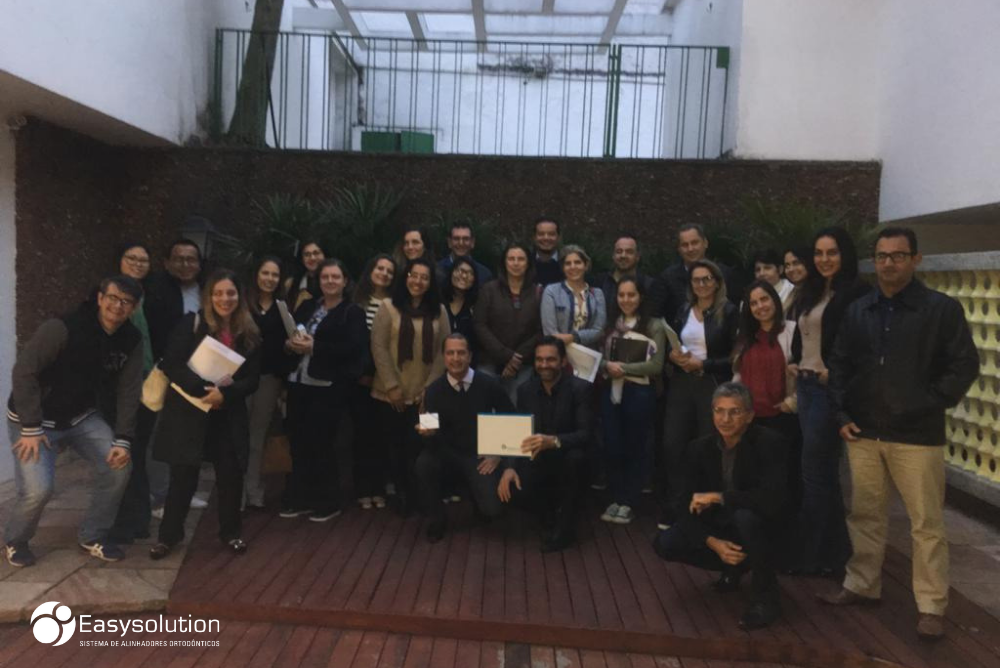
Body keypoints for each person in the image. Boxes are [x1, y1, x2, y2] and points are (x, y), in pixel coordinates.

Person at [819, 227, 979, 640]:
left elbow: (964, 364)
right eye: (882, 256)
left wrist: (927, 401)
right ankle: (862, 584)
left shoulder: (940, 310)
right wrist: (841, 413)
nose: (888, 263)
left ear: (915, 259)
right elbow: (839, 364)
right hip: (864, 432)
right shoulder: (860, 310)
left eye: (898, 255)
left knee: (926, 524)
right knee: (865, 514)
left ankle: (931, 606)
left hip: (917, 436)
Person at [4, 276, 143, 567]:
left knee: (118, 467)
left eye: (126, 302)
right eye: (113, 298)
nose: (118, 306)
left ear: (133, 308)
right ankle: (16, 540)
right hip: (34, 419)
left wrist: (123, 438)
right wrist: (30, 426)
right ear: (100, 298)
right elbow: (24, 371)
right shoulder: (63, 327)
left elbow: (129, 390)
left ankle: (93, 535)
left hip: (80, 415)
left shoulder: (131, 339)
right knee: (38, 489)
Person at [653, 383, 788, 630]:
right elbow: (682, 504)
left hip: (765, 526)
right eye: (719, 411)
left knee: (746, 518)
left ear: (749, 416)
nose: (725, 419)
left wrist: (719, 497)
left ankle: (766, 600)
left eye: (734, 412)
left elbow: (772, 499)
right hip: (721, 525)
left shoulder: (770, 443)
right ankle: (731, 567)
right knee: (666, 543)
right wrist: (712, 542)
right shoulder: (699, 448)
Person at [149, 270, 261, 559]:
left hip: (227, 413)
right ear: (209, 296)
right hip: (191, 411)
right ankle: (168, 537)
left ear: (239, 296)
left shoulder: (248, 331)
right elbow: (172, 364)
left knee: (230, 476)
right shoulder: (191, 324)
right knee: (183, 477)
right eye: (218, 293)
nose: (225, 299)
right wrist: (205, 390)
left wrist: (226, 395)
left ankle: (231, 533)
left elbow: (253, 378)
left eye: (231, 293)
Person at [788, 226, 871, 576]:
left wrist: (834, 376)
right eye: (819, 253)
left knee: (815, 472)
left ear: (845, 254)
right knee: (820, 474)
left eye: (832, 252)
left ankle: (817, 554)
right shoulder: (811, 290)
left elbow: (860, 346)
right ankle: (835, 554)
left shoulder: (857, 294)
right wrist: (796, 361)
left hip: (826, 390)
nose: (824, 259)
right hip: (806, 387)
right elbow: (803, 334)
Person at [280, 259, 368, 521]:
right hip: (298, 381)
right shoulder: (308, 306)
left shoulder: (352, 312)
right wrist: (290, 344)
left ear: (345, 281)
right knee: (298, 442)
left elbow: (353, 348)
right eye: (325, 277)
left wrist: (315, 347)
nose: (330, 281)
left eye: (335, 277)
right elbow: (292, 333)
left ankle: (327, 501)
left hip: (327, 386)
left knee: (322, 444)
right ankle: (301, 497)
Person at [661, 259, 738, 526]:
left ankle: (706, 509)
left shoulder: (729, 311)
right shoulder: (683, 310)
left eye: (707, 279)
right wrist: (673, 356)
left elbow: (735, 358)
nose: (702, 284)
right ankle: (677, 506)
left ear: (717, 282)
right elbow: (674, 343)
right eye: (696, 280)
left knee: (708, 446)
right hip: (682, 383)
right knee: (673, 444)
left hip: (711, 384)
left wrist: (703, 364)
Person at [414, 334, 513, 542]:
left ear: (470, 356)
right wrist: (428, 434)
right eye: (450, 353)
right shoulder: (433, 391)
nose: (456, 358)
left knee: (493, 510)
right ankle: (437, 518)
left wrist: (498, 453)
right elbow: (428, 438)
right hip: (446, 452)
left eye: (461, 353)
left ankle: (475, 496)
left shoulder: (489, 384)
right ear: (444, 357)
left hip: (480, 455)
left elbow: (511, 419)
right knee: (424, 464)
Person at [371, 258, 450, 516]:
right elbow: (379, 348)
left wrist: (430, 388)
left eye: (424, 277)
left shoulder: (439, 311)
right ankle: (402, 494)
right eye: (413, 275)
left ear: (430, 282)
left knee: (425, 445)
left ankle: (424, 495)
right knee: (395, 446)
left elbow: (444, 351)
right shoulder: (388, 307)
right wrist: (391, 386)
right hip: (390, 394)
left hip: (427, 396)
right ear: (405, 278)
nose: (418, 281)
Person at [498, 337, 591, 552]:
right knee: (512, 490)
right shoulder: (525, 390)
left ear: (563, 361)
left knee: (576, 460)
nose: (544, 364)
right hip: (538, 457)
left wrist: (555, 441)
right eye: (539, 360)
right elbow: (519, 432)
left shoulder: (581, 389)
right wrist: (510, 467)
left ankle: (565, 528)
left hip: (569, 456)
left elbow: (586, 434)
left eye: (550, 359)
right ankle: (547, 512)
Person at [732, 280, 801, 559]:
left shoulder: (792, 331)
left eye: (764, 299)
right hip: (750, 422)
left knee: (783, 485)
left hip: (782, 419)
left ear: (775, 300)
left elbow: (802, 370)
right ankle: (753, 547)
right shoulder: (745, 337)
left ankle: (784, 550)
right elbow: (738, 374)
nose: (760, 306)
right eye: (754, 303)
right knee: (752, 485)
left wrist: (791, 403)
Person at [142, 238, 204, 517]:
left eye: (191, 259)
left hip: (196, 371)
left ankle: (182, 492)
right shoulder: (154, 290)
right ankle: (160, 496)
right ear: (167, 262)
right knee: (159, 435)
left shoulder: (205, 290)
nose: (185, 264)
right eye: (179, 259)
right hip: (162, 370)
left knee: (187, 434)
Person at [598, 277, 666, 525]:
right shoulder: (610, 325)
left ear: (641, 297)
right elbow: (600, 358)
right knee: (613, 444)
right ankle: (615, 498)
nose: (626, 300)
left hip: (640, 392)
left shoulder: (654, 325)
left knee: (635, 446)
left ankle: (629, 501)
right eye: (621, 295)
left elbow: (656, 365)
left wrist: (623, 368)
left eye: (631, 295)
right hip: (612, 392)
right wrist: (607, 366)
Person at [108, 243, 156, 543]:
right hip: (120, 387)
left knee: (135, 454)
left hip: (147, 385)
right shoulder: (112, 295)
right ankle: (130, 520)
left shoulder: (149, 296)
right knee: (124, 453)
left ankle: (135, 520)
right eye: (132, 258)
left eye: (144, 260)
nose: (138, 263)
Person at [350, 254, 397, 509]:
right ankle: (362, 488)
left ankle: (379, 487)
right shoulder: (356, 301)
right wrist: (362, 372)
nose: (384, 274)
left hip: (385, 378)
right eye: (380, 268)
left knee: (381, 435)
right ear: (371, 270)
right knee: (361, 436)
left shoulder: (395, 303)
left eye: (389, 271)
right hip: (359, 378)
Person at [243, 256, 287, 510]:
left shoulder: (282, 308)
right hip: (240, 378)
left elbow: (286, 345)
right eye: (265, 273)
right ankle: (235, 492)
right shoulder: (243, 303)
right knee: (237, 435)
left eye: (275, 275)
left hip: (268, 379)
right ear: (256, 274)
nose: (269, 279)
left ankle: (253, 489)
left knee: (257, 438)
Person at [474, 242, 542, 404]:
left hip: (523, 364)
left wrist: (516, 359)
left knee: (517, 410)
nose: (516, 263)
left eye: (521, 259)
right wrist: (506, 355)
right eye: (511, 259)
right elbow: (479, 324)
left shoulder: (538, 292)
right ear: (504, 263)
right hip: (489, 362)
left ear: (528, 263)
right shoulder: (488, 290)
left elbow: (540, 330)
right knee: (485, 410)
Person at [651, 224, 741, 320]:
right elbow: (656, 315)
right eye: (685, 245)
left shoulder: (725, 274)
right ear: (679, 249)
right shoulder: (667, 279)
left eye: (694, 243)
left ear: (705, 243)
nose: (690, 249)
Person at [540, 244, 607, 349]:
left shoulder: (597, 294)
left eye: (577, 262)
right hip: (559, 352)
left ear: (586, 265)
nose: (573, 267)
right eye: (568, 263)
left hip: (589, 354)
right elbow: (550, 332)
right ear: (563, 268)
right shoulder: (551, 291)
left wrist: (573, 337)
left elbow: (598, 331)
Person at [441, 257, 480, 365]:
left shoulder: (477, 304)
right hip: (439, 360)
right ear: (451, 273)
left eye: (470, 273)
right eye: (460, 270)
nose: (464, 276)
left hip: (468, 363)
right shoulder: (438, 300)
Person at [436, 223, 493, 288]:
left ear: (472, 242)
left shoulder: (484, 274)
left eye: (466, 239)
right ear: (449, 242)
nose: (461, 243)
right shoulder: (436, 271)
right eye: (456, 239)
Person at [285, 240, 326, 311]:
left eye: (316, 253)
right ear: (302, 259)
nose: (312, 258)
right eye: (307, 254)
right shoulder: (290, 284)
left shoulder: (336, 283)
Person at [532, 217, 562, 286]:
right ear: (534, 237)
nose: (546, 238)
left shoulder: (568, 265)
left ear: (559, 237)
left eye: (551, 234)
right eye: (541, 234)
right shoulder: (525, 264)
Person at [781, 247, 810, 317]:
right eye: (787, 265)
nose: (791, 269)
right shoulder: (792, 293)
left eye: (796, 263)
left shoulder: (819, 292)